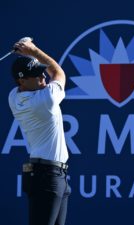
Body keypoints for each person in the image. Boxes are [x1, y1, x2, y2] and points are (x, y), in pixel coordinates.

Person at [8, 38, 71, 225]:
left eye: (41, 72)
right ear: (22, 80)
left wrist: (29, 56)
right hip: (47, 178)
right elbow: (58, 72)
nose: (44, 77)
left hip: (51, 176)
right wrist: (33, 50)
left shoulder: (14, 96)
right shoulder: (45, 100)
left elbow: (49, 73)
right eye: (37, 75)